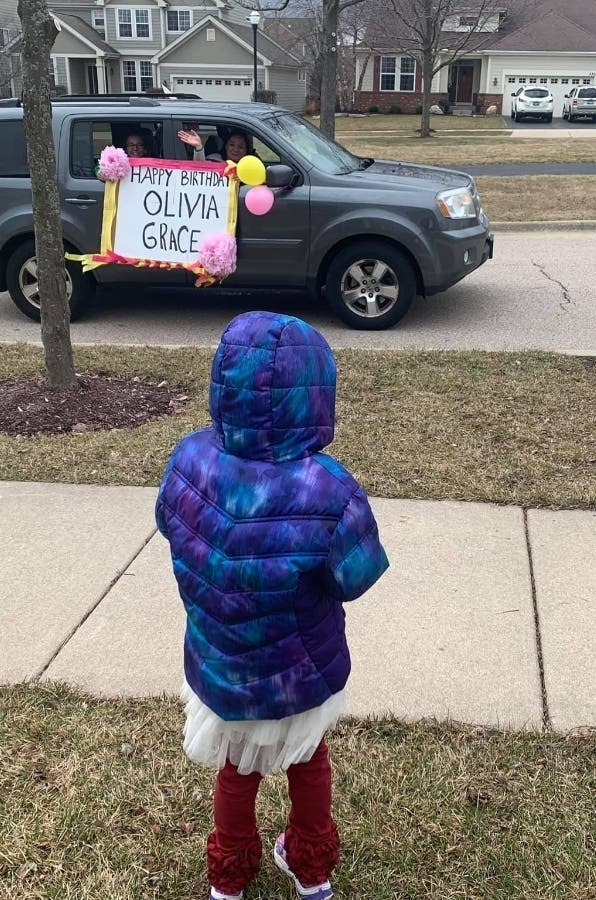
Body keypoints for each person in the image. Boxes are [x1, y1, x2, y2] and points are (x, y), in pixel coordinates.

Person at [155, 312, 389, 900]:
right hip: (300, 672)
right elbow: (354, 577)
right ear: (315, 393)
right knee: (308, 761)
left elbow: (171, 526)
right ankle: (311, 872)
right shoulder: (329, 489)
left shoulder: (188, 461)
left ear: (224, 382)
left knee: (238, 768)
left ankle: (228, 881)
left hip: (223, 664)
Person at [178, 127, 251, 163]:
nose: (235, 149)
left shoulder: (250, 168)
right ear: (226, 146)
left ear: (245, 150)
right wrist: (198, 147)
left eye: (240, 147)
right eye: (232, 145)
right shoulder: (214, 160)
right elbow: (200, 169)